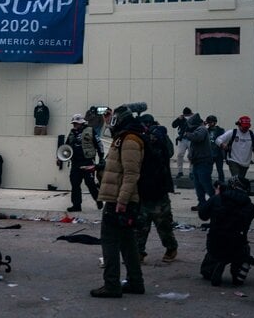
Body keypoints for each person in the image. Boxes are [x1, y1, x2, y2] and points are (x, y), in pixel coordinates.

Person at [91, 104, 144, 298]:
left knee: (110, 242)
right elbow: (118, 170)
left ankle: (111, 284)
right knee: (127, 243)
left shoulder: (129, 140)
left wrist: (121, 201)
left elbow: (131, 174)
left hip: (119, 201)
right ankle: (135, 281)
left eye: (112, 117)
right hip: (120, 198)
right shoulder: (123, 138)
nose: (109, 120)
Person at [198, 177, 254, 286]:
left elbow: (202, 215)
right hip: (236, 245)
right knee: (245, 249)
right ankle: (237, 274)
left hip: (215, 243)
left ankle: (215, 265)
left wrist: (216, 196)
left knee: (207, 270)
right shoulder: (251, 207)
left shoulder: (217, 199)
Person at [135, 123, 178, 264]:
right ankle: (138, 252)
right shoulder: (141, 141)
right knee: (141, 225)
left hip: (158, 191)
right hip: (145, 190)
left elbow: (169, 152)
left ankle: (171, 248)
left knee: (163, 224)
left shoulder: (160, 141)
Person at [64, 114, 102, 212]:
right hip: (75, 162)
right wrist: (61, 158)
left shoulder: (90, 130)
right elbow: (66, 147)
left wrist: (101, 157)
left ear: (81, 123)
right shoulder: (72, 133)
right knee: (75, 184)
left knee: (90, 183)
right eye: (74, 123)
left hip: (88, 161)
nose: (74, 125)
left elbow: (99, 144)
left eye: (76, 123)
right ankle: (76, 205)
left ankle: (98, 200)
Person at [215, 116, 254, 181]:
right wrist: (222, 144)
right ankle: (233, 189)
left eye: (247, 127)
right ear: (239, 125)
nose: (245, 128)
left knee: (240, 181)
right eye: (244, 127)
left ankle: (233, 189)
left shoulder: (253, 135)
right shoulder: (232, 132)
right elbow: (218, 139)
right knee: (237, 180)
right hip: (233, 160)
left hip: (246, 163)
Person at [184, 113, 214, 210]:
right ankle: (202, 203)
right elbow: (195, 146)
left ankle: (215, 202)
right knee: (198, 184)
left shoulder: (201, 129)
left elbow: (197, 138)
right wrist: (190, 155)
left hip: (204, 161)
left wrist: (187, 134)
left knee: (205, 183)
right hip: (198, 161)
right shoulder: (199, 129)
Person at [171, 107, 193, 178]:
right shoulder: (181, 119)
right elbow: (173, 125)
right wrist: (178, 119)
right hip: (182, 139)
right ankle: (180, 171)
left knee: (191, 156)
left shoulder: (194, 118)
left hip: (191, 139)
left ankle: (191, 172)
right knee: (180, 154)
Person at [206, 115, 226, 184]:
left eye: (211, 122)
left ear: (215, 122)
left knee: (220, 170)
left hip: (218, 153)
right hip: (209, 153)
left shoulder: (220, 130)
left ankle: (222, 183)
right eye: (208, 122)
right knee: (208, 170)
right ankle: (208, 183)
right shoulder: (206, 130)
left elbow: (224, 140)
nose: (209, 124)